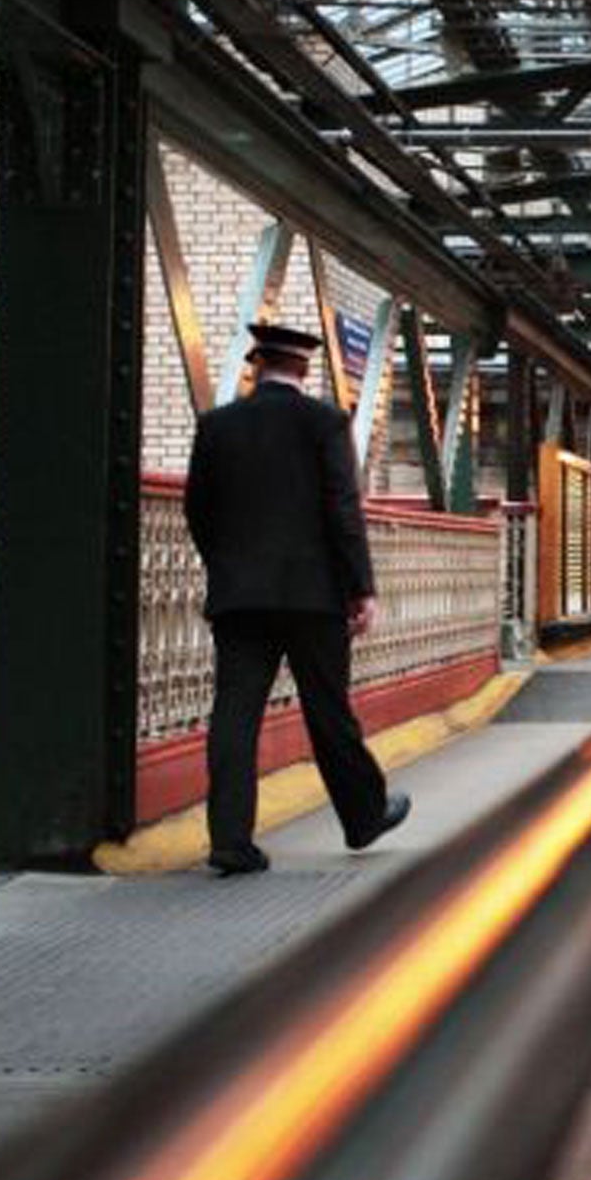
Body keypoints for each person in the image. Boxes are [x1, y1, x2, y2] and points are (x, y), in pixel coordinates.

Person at [185, 322, 411, 875]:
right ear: (305, 370)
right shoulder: (325, 423)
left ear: (255, 364)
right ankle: (363, 816)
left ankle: (230, 841)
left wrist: (228, 569)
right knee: (328, 710)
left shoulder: (216, 426)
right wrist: (361, 587)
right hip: (314, 598)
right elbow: (342, 509)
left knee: (235, 715)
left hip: (241, 599)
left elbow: (198, 510)